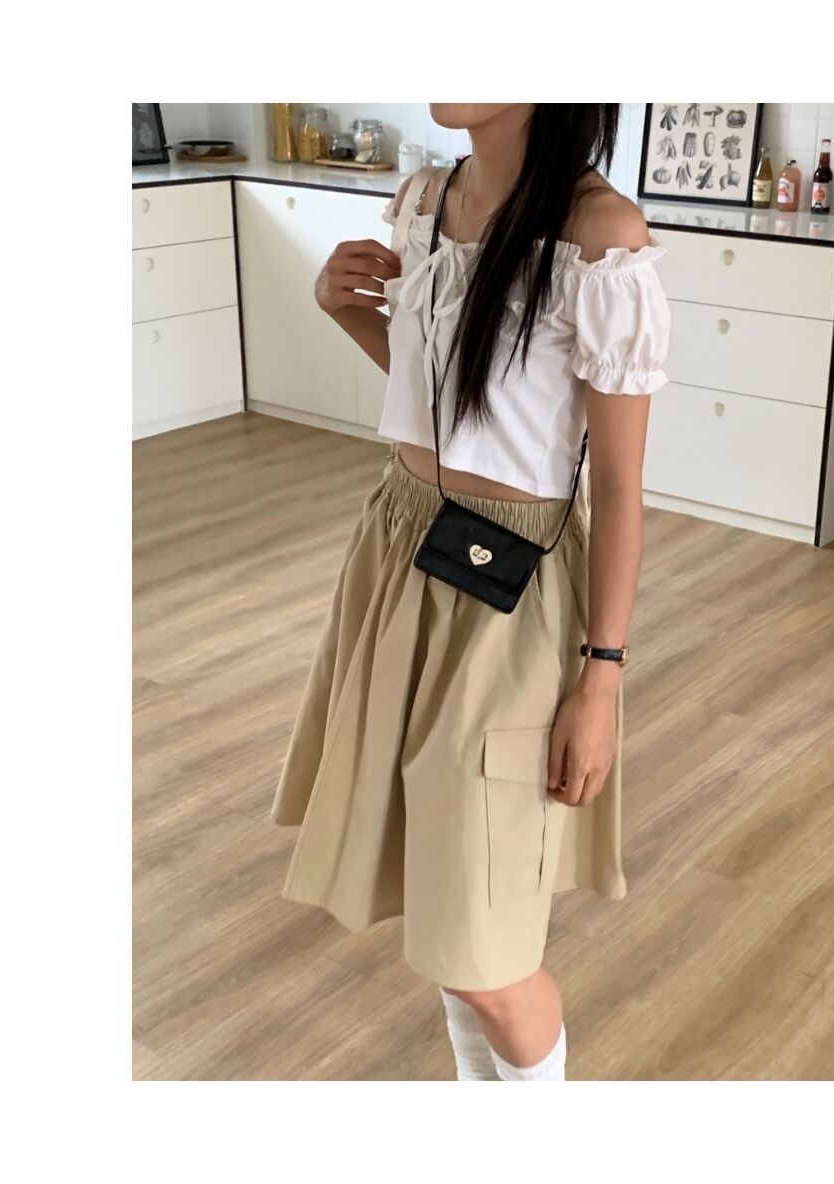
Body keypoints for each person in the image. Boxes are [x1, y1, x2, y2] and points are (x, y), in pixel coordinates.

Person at [270, 104, 671, 1081]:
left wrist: (601, 680)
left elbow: (620, 488)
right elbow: (451, 395)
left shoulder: (601, 239)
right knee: (447, 908)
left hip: (513, 592)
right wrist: (346, 309)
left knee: (487, 948)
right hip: (400, 553)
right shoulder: (424, 199)